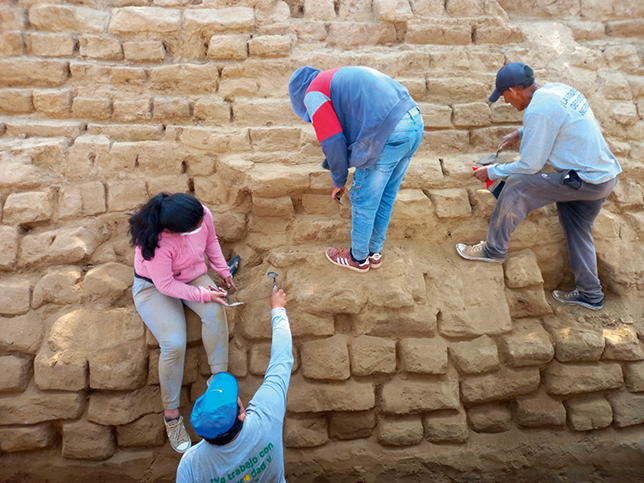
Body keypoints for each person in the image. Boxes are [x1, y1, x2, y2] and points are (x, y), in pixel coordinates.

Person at [456, 62, 621, 311]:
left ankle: (493, 250)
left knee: (518, 185)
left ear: (513, 90)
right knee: (577, 229)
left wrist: (492, 171)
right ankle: (591, 294)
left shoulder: (538, 111)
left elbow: (530, 166)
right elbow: (563, 121)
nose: (507, 102)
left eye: (504, 97)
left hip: (585, 180)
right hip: (604, 176)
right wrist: (522, 133)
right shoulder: (558, 90)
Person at [129, 192, 238, 453]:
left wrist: (222, 272)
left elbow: (211, 240)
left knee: (215, 311)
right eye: (195, 227)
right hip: (154, 287)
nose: (202, 224)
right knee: (174, 343)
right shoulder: (155, 243)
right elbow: (166, 286)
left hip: (192, 274)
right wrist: (203, 293)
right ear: (174, 230)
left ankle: (218, 380)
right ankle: (172, 415)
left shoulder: (199, 213)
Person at [288, 66, 424, 273]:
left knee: (363, 198)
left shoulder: (313, 93)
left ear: (299, 96)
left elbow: (332, 140)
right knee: (385, 195)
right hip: (414, 121)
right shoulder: (335, 79)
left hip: (391, 131)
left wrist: (338, 180)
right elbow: (351, 126)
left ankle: (358, 258)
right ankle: (374, 253)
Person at [176, 288, 292, 483]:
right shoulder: (266, 418)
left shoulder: (192, 465)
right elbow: (282, 359)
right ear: (241, 413)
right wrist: (278, 310)